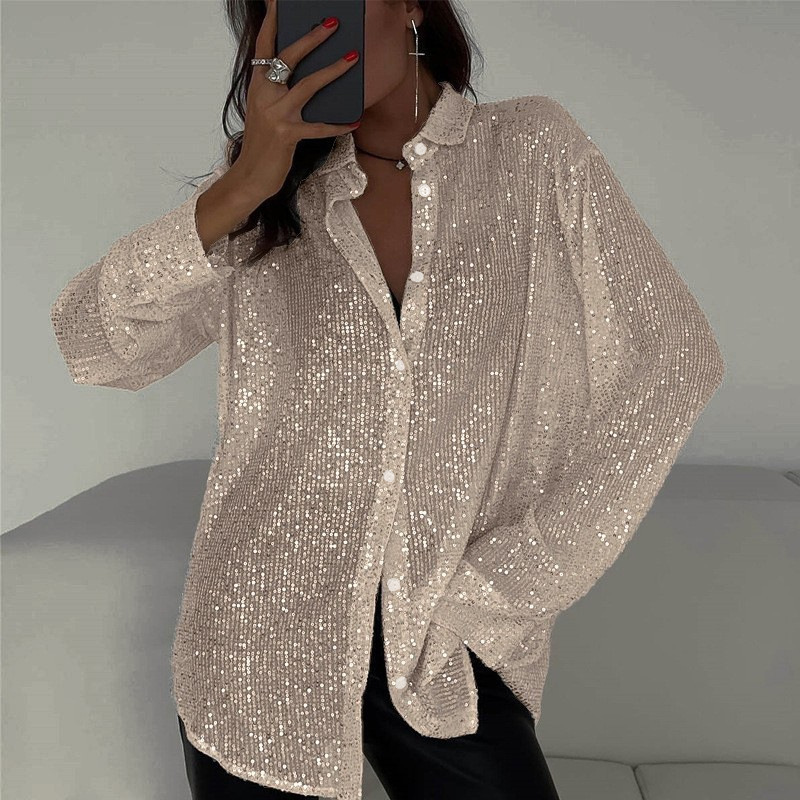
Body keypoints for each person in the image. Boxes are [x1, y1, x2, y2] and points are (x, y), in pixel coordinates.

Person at [49, 1, 725, 799]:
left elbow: (676, 359)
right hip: (259, 637)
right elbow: (93, 346)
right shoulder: (267, 192)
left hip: (444, 631)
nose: (315, 24)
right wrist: (244, 184)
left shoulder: (532, 149)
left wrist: (509, 581)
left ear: (409, 4)